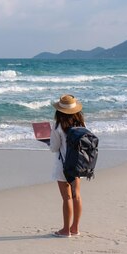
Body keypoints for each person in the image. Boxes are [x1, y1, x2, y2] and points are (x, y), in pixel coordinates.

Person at [49, 94, 86, 238]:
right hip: (77, 164)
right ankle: (75, 227)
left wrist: (49, 141)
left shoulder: (58, 126)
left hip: (63, 165)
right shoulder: (81, 124)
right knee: (77, 195)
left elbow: (54, 147)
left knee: (67, 198)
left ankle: (65, 230)